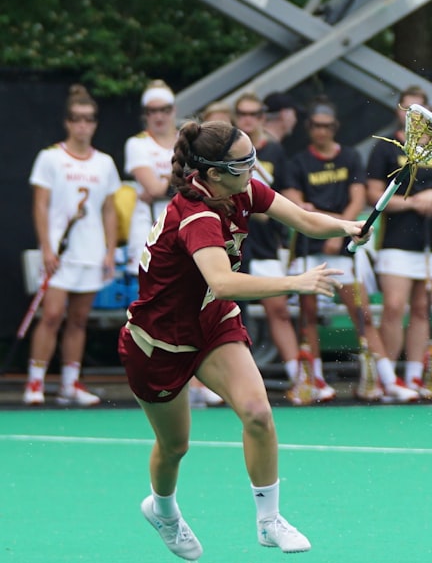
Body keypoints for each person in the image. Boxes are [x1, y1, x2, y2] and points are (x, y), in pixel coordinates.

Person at [119, 119, 367, 561]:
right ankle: (162, 510)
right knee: (175, 447)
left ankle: (269, 521)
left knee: (256, 412)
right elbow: (224, 280)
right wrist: (297, 282)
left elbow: (305, 220)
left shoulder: (240, 190)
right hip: (159, 342)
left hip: (211, 322)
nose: (253, 169)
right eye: (244, 163)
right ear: (213, 172)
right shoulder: (196, 216)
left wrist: (345, 226)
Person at [282, 98, 418, 402]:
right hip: (310, 248)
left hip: (345, 248)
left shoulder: (351, 157)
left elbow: (357, 201)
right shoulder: (297, 163)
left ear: (335, 128)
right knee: (308, 315)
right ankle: (314, 380)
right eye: (316, 126)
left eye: (327, 126)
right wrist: (324, 228)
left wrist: (338, 231)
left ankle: (385, 380)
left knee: (362, 314)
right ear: (309, 128)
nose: (321, 131)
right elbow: (295, 203)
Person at [124, 81, 221, 407]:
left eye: (164, 110)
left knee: (194, 303)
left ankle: (192, 379)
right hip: (152, 235)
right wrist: (187, 171)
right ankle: (154, 375)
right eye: (152, 111)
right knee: (159, 307)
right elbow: (152, 188)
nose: (159, 116)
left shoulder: (187, 140)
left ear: (173, 111)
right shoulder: (136, 144)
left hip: (189, 230)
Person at [23, 85, 121, 406]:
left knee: (79, 319)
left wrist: (108, 250)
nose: (82, 125)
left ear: (94, 124)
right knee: (51, 315)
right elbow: (40, 205)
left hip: (90, 251)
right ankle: (35, 383)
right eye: (76, 119)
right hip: (59, 253)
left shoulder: (104, 163)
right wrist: (47, 248)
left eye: (88, 119)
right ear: (67, 122)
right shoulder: (50, 158)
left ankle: (70, 384)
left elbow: (109, 209)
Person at [365, 86, 432, 396]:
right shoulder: (385, 148)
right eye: (408, 110)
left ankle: (413, 378)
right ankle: (388, 381)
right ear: (400, 113)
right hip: (397, 241)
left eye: (419, 111)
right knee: (395, 307)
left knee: (423, 309)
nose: (414, 117)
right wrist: (412, 203)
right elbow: (373, 195)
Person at [233, 91, 310, 403]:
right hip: (234, 244)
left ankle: (300, 379)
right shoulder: (227, 152)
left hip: (265, 245)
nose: (248, 119)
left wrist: (267, 212)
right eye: (242, 113)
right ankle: (230, 383)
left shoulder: (275, 152)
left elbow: (285, 199)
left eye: (254, 114)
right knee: (231, 314)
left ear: (263, 118)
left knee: (277, 309)